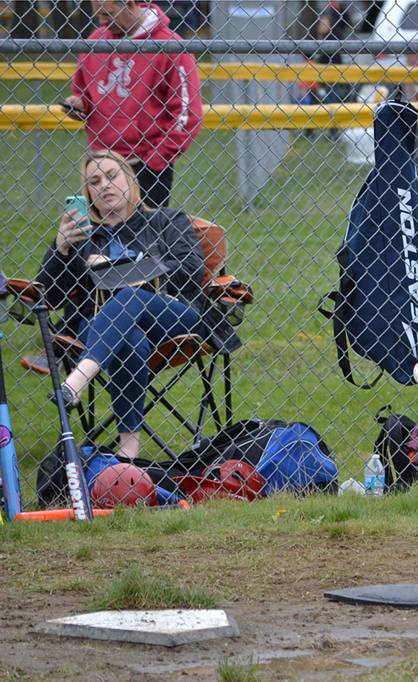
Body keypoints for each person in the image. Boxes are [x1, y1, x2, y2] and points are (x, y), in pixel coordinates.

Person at [37, 150, 240, 459]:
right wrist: (60, 247)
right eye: (94, 181)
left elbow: (190, 271)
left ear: (129, 180)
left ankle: (76, 380)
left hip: (172, 318)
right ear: (87, 193)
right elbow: (48, 298)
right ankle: (128, 447)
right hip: (102, 327)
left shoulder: (165, 220)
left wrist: (125, 266)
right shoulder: (82, 238)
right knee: (130, 338)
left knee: (129, 297)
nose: (104, 185)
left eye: (111, 176)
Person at [63, 1, 203, 209]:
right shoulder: (96, 40)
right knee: (101, 234)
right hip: (102, 160)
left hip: (146, 163)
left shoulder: (171, 46)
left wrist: (154, 162)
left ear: (129, 3)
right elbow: (83, 91)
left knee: (145, 234)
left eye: (108, 14)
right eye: (98, 14)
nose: (102, 21)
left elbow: (187, 114)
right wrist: (80, 105)